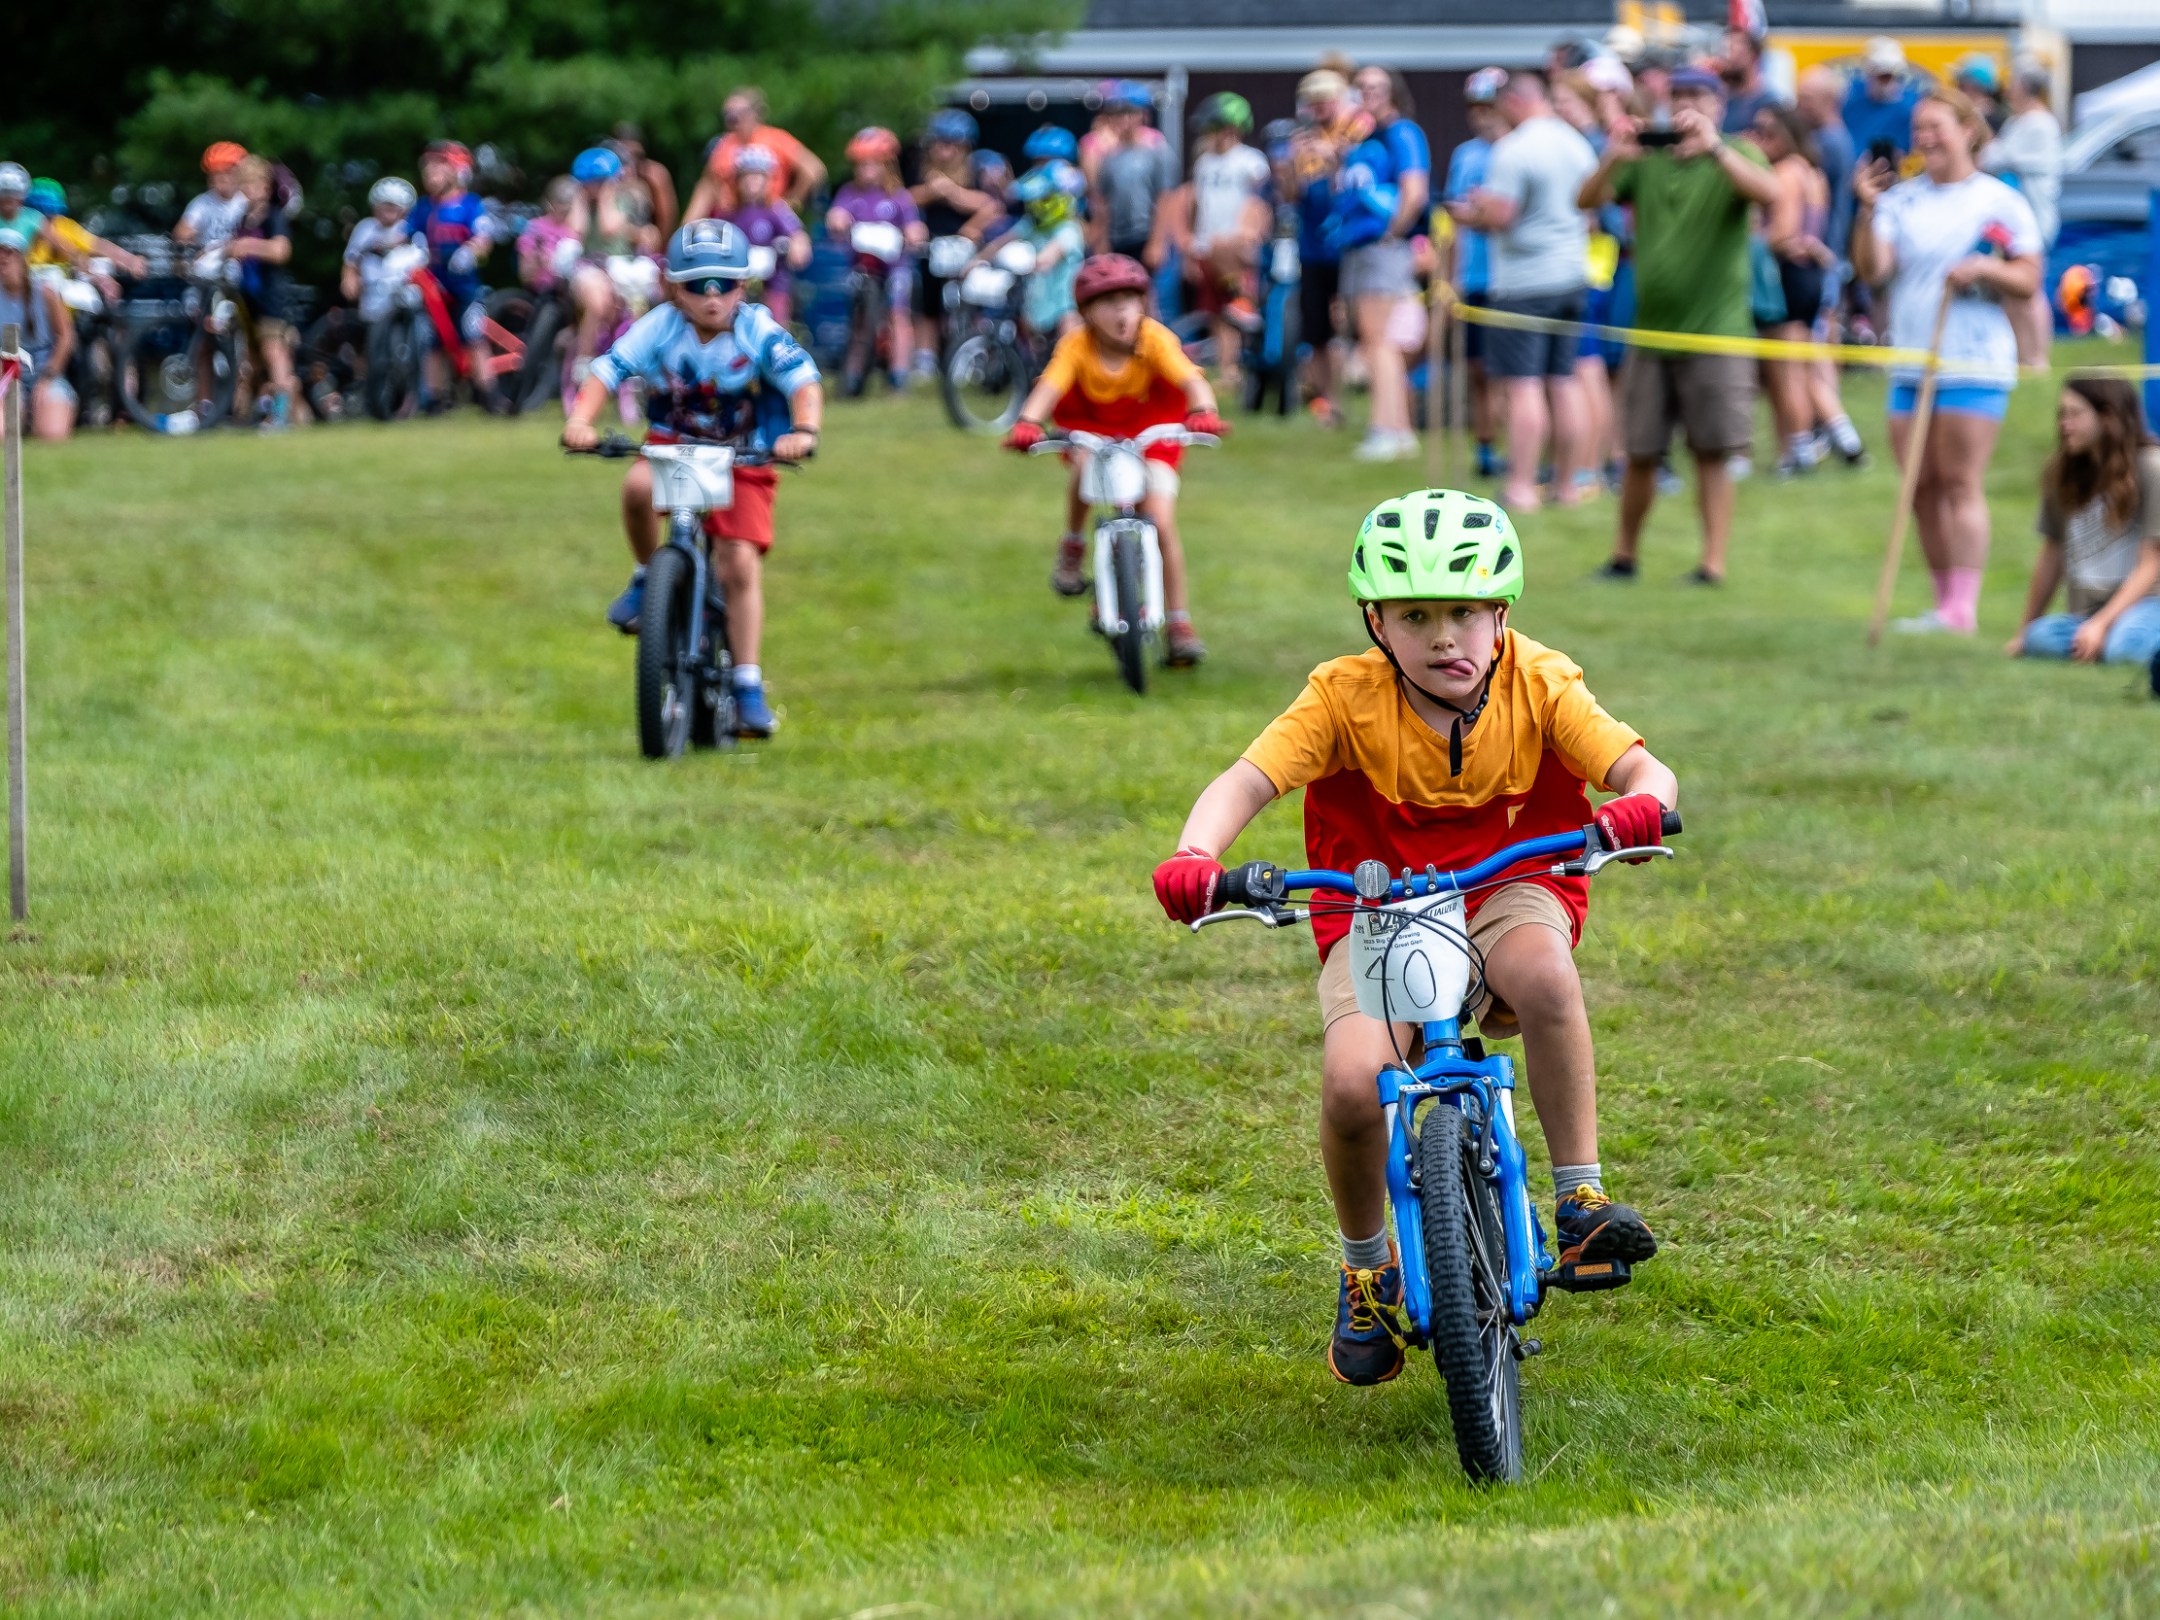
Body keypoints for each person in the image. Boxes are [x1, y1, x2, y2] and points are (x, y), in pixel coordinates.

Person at [1148, 489, 1678, 1386]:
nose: (1445, 638)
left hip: (1509, 883)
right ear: (1376, 622)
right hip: (1380, 907)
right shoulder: (1342, 698)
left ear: (1500, 613)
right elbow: (1247, 779)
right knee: (1357, 1082)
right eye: (1416, 616)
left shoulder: (1542, 682)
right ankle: (1367, 1270)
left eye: (1466, 613)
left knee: (1545, 976)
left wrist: (1640, 804)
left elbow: (1638, 766)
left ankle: (1580, 1196)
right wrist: (1198, 854)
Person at [563, 220, 823, 738]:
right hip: (673, 447)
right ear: (673, 288)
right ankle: (646, 576)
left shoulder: (757, 329)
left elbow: (803, 381)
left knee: (738, 561)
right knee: (636, 489)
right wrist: (580, 420)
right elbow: (607, 371)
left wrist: (803, 430)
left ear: (742, 287)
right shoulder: (659, 326)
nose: (712, 297)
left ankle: (747, 680)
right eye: (697, 285)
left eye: (724, 284)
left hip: (742, 454)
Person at [1852, 87, 2041, 635]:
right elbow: (1873, 270)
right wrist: (1865, 211)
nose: (1926, 138)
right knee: (1921, 485)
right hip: (1912, 360)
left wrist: (1984, 270)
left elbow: (2028, 279)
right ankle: (1942, 604)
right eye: (1919, 130)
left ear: (1968, 130)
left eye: (1937, 126)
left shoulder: (1998, 200)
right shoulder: (1901, 199)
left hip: (1973, 360)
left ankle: (1964, 607)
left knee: (1959, 480)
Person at [1580, 64, 1779, 583]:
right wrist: (1613, 157)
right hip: (1652, 330)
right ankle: (1624, 557)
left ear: (1719, 105)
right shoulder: (1647, 156)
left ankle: (1712, 563)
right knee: (1640, 451)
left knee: (1711, 452)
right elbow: (1587, 200)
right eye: (1680, 94)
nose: (1688, 104)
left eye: (1699, 95)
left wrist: (1715, 148)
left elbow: (1770, 193)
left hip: (1717, 332)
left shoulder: (1737, 153)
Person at [1000, 254, 1227, 666]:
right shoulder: (1076, 346)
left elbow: (1190, 378)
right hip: (1094, 427)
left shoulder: (1154, 338)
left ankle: (1179, 622)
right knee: (1084, 465)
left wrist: (1204, 410)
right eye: (1108, 302)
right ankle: (1073, 542)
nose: (1121, 310)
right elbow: (1050, 387)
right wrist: (1027, 422)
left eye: (1129, 299)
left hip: (1151, 431)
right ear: (1086, 311)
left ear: (1143, 303)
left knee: (1159, 519)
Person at [1450, 71, 1598, 510]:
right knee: (1563, 381)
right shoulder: (1576, 142)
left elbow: (1501, 216)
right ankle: (1568, 485)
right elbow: (1589, 210)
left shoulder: (1514, 149)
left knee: (1523, 386)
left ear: (1513, 102)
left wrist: (1471, 212)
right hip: (1572, 274)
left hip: (1525, 283)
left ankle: (1521, 486)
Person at [2007, 380, 2160, 668]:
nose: (2065, 424)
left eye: (2075, 414)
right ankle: (2104, 643)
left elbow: (2152, 564)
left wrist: (2101, 625)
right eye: (2062, 414)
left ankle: (2113, 642)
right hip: (2088, 613)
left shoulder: (2152, 468)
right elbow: (2051, 555)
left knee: (2127, 648)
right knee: (2039, 638)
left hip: (2150, 605)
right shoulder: (2063, 472)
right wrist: (2022, 632)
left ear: (2108, 416)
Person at [1336, 65, 1432, 463]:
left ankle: (1384, 429)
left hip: (1383, 248)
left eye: (1377, 86)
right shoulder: (1364, 136)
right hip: (1363, 245)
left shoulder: (1402, 133)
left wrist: (1393, 232)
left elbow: (1415, 190)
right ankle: (1399, 429)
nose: (1368, 93)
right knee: (1380, 342)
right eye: (1361, 87)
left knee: (1379, 342)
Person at [1749, 105, 1851, 479]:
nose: (1761, 140)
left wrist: (1752, 237)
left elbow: (1783, 233)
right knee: (1803, 364)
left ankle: (1799, 448)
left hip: (1789, 276)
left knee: (1787, 370)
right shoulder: (1814, 173)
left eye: (1767, 132)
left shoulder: (1787, 172)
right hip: (1810, 275)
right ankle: (1820, 441)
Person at [1163, 93, 1270, 393]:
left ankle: (1245, 300)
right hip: (1208, 245)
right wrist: (1189, 248)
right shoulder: (1204, 164)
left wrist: (1252, 232)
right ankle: (1228, 370)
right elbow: (1197, 205)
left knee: (1233, 304)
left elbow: (1260, 201)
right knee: (1218, 314)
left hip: (1237, 245)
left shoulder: (1251, 161)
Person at [1287, 68, 1371, 429]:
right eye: (1314, 101)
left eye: (1326, 100)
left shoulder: (1360, 132)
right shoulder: (1300, 140)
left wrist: (1336, 156)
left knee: (1354, 327)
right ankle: (1329, 406)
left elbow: (1356, 182)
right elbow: (1292, 195)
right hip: (1313, 248)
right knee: (1317, 331)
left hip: (1350, 246)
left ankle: (1359, 401)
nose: (1319, 108)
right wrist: (1291, 165)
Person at [827, 126, 925, 396]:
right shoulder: (849, 193)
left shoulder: (899, 197)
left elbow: (915, 228)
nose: (865, 170)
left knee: (897, 315)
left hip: (895, 267)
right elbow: (836, 215)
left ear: (886, 164)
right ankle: (854, 377)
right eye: (860, 165)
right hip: (862, 269)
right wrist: (837, 220)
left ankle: (899, 377)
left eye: (871, 164)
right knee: (859, 322)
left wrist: (914, 233)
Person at [909, 109, 1011, 368]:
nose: (945, 151)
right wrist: (932, 191)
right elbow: (904, 200)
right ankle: (926, 360)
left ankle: (973, 355)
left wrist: (953, 194)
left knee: (971, 302)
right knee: (928, 306)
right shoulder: (922, 171)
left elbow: (993, 206)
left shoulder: (978, 170)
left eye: (952, 144)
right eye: (940, 144)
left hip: (966, 250)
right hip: (931, 247)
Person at [407, 139, 503, 412]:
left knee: (473, 336)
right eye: (427, 169)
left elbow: (483, 237)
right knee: (432, 342)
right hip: (435, 285)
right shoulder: (424, 207)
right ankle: (434, 399)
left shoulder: (469, 204)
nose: (430, 174)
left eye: (438, 168)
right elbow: (407, 233)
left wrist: (471, 251)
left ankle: (489, 394)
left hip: (464, 286)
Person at [1441, 69, 1506, 471]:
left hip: (1513, 279)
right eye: (1476, 108)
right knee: (1479, 370)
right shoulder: (1466, 155)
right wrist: (1448, 282)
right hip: (1475, 277)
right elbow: (1452, 222)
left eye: (1490, 107)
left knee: (1513, 375)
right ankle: (1485, 448)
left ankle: (1518, 450)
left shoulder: (1519, 150)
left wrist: (1480, 213)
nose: (1483, 116)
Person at [1982, 59, 2062, 370]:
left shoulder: (2038, 124)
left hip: (2035, 216)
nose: (2008, 89)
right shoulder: (2022, 121)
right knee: (2015, 289)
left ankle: (2037, 357)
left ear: (2026, 88)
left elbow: (1996, 156)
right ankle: (2023, 356)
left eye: (2014, 83)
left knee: (2030, 288)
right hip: (2017, 218)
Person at [225, 155, 299, 430]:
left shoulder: (273, 216)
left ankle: (280, 414)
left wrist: (247, 246)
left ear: (266, 187)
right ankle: (242, 414)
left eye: (254, 184)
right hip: (248, 297)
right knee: (250, 359)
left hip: (271, 296)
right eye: (244, 184)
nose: (249, 189)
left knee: (275, 353)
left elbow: (281, 250)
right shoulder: (243, 217)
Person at [686, 87, 826, 219]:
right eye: (727, 114)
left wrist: (793, 202)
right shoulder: (721, 145)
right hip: (731, 218)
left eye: (738, 113)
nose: (732, 118)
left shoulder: (776, 138)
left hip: (768, 217)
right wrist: (688, 226)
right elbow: (706, 187)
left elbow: (814, 169)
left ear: (755, 113)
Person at [993, 160, 1087, 339]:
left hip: (1065, 307)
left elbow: (1049, 256)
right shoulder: (1031, 224)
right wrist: (978, 260)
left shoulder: (1070, 228)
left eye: (1044, 198)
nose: (1037, 204)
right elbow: (1000, 243)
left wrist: (1025, 263)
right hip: (1036, 305)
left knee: (1067, 343)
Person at [0, 224, 78, 440]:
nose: (3, 258)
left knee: (52, 434)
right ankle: (21, 415)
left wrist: (47, 378)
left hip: (47, 375)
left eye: (9, 252)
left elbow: (66, 337)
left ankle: (41, 413)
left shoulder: (45, 293)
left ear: (22, 257)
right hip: (6, 377)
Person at [1086, 85, 1176, 261]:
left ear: (1142, 115)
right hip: (1117, 238)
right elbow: (1103, 202)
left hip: (1145, 235)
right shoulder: (1109, 157)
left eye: (1130, 113)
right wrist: (1101, 240)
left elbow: (1166, 198)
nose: (1125, 120)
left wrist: (1157, 242)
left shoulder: (1157, 152)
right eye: (1119, 114)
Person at [723, 147, 811, 326]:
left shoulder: (777, 209)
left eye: (758, 176)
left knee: (776, 321)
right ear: (738, 181)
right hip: (740, 281)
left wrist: (798, 246)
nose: (752, 182)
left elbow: (797, 235)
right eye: (747, 176)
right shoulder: (730, 212)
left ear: (769, 180)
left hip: (773, 279)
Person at [343, 176, 419, 325]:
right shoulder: (365, 228)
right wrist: (349, 279)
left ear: (405, 210)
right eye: (385, 206)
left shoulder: (412, 230)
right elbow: (351, 260)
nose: (388, 211)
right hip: (371, 295)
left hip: (404, 294)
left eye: (394, 207)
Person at [1844, 37, 1922, 165]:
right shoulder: (1850, 102)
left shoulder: (1913, 106)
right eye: (1883, 76)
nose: (1889, 82)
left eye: (1894, 76)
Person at [608, 122, 678, 241]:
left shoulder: (654, 175)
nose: (632, 161)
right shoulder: (602, 176)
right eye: (624, 155)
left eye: (637, 155)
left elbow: (667, 220)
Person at [515, 176, 582, 299]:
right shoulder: (535, 226)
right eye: (561, 202)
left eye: (569, 203)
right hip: (537, 290)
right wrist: (538, 258)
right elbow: (524, 268)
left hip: (565, 294)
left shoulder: (575, 231)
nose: (565, 208)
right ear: (550, 203)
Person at [172, 143, 249, 249]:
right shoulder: (202, 203)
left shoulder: (246, 201)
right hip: (207, 259)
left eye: (227, 172)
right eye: (214, 174)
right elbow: (181, 232)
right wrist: (186, 235)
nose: (221, 178)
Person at [1718, 25, 1777, 135]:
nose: (1726, 58)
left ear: (1753, 54)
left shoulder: (1771, 103)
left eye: (1732, 49)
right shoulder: (1720, 99)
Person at [1952, 55, 2005, 133]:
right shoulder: (1957, 112)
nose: (1961, 91)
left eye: (1962, 85)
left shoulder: (1998, 119)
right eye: (1961, 86)